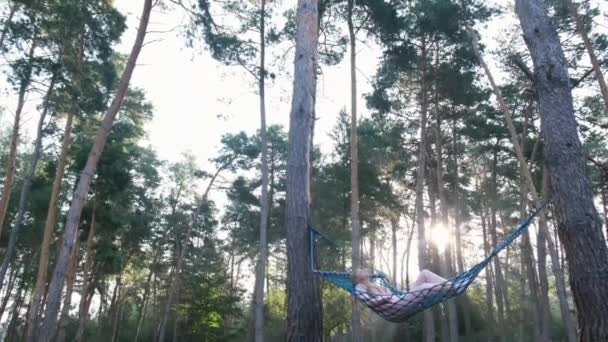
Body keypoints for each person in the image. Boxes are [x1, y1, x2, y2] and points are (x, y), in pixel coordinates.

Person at [352, 269, 454, 315]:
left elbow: (392, 294)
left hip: (400, 299)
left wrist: (404, 291)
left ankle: (452, 286)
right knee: (424, 287)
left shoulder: (375, 285)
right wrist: (382, 299)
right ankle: (452, 288)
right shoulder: (359, 287)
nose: (362, 270)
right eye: (359, 271)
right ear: (358, 278)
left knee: (425, 273)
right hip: (397, 306)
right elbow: (368, 301)